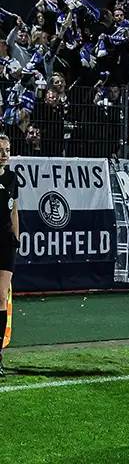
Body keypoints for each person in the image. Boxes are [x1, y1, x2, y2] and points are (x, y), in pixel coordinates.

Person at [0, 135, 19, 376]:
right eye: (1, 150)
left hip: (5, 243)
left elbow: (15, 209)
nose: (4, 154)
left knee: (2, 296)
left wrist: (17, 237)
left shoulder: (12, 178)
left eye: (7, 150)